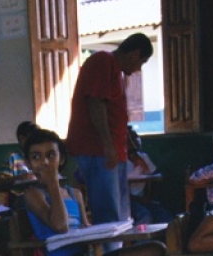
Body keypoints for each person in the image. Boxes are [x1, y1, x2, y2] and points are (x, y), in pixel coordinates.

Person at [22, 128, 169, 256]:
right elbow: (61, 226)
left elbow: (86, 231)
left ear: (61, 159)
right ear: (28, 163)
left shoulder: (75, 194)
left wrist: (111, 231)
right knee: (156, 249)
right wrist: (53, 182)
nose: (44, 162)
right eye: (36, 157)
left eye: (51, 155)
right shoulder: (34, 194)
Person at [65, 33, 153, 226]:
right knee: (108, 213)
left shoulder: (117, 72)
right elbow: (95, 103)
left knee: (121, 215)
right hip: (97, 150)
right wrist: (107, 144)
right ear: (134, 54)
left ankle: (118, 254)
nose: (139, 69)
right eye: (142, 62)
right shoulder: (103, 60)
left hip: (112, 152)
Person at [126, 126, 171, 225]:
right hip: (128, 202)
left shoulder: (143, 157)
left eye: (137, 137)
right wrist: (140, 200)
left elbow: (154, 176)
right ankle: (142, 241)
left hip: (144, 199)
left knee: (165, 217)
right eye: (132, 139)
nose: (137, 141)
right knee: (145, 217)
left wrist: (148, 197)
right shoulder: (120, 163)